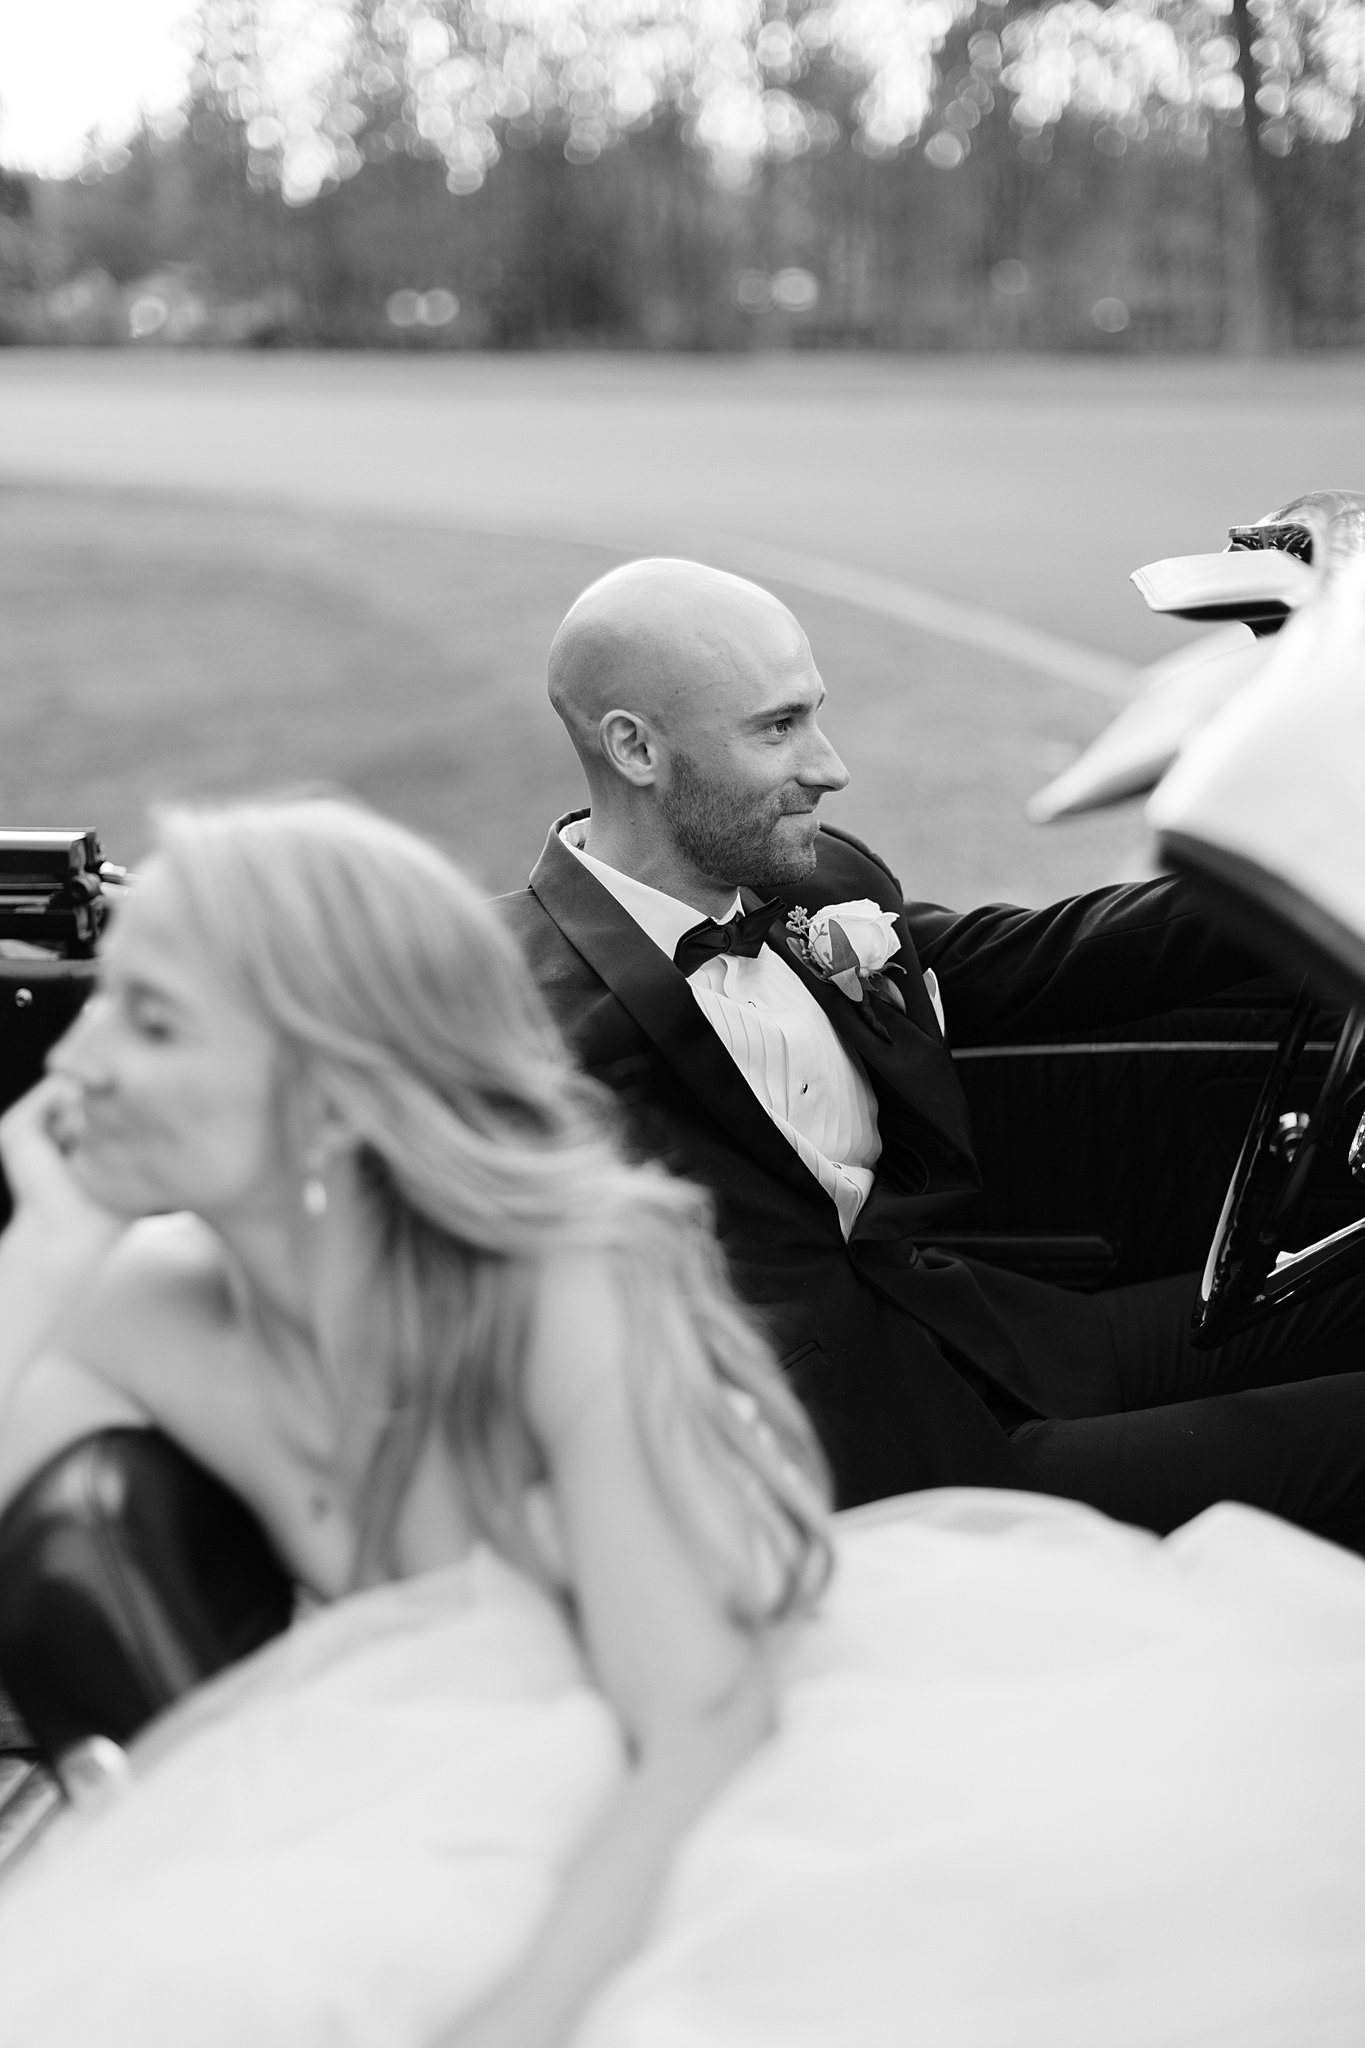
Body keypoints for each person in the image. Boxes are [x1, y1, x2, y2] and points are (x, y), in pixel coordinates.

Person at [1, 794, 1364, 2048]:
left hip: (723, 1773)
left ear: (331, 1084)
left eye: (159, 1023)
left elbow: (700, 1728)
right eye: (110, 1002)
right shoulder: (131, 1295)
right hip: (448, 1802)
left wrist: (517, 2021)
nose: (87, 1059)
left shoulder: (553, 1284)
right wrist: (42, 1256)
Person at [498, 556, 1365, 1546]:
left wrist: (1307, 866)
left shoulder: (815, 881)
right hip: (881, 1472)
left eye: (814, 714)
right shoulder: (518, 1023)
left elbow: (1044, 964)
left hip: (999, 1339)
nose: (830, 765)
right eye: (779, 727)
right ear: (634, 749)